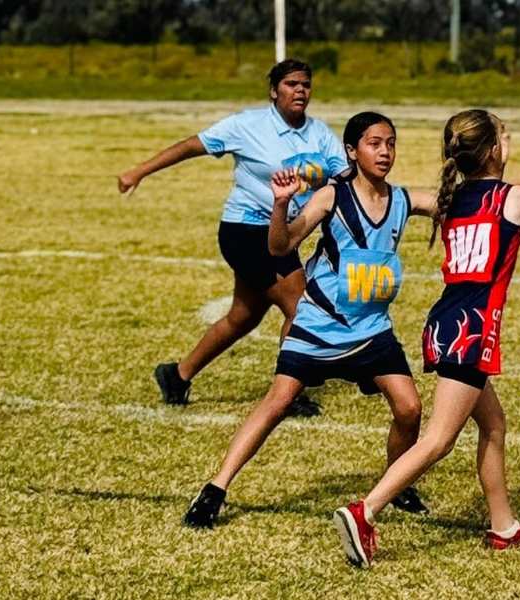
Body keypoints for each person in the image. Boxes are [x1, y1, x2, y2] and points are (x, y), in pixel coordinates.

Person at [333, 108, 520, 567]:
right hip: (469, 331)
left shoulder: (454, 199)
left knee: (493, 426)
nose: (509, 140)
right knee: (439, 440)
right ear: (495, 149)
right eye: (504, 135)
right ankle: (365, 511)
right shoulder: (510, 200)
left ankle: (504, 527)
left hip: (447, 324)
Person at [181, 112, 440, 528]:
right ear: (351, 152)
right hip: (318, 326)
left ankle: (397, 484)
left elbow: (455, 203)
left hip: (371, 331)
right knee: (277, 403)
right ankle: (215, 489)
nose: (385, 151)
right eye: (374, 143)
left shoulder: (403, 200)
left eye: (391, 143)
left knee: (409, 409)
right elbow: (281, 247)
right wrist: (281, 204)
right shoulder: (331, 196)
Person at [117, 59, 349, 413]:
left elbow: (345, 174)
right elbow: (191, 146)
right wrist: (139, 171)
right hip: (246, 230)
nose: (299, 90)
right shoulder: (247, 125)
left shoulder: (318, 133)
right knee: (300, 307)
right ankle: (286, 396)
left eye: (305, 84)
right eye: (290, 84)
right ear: (274, 91)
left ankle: (177, 375)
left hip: (282, 234)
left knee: (243, 317)